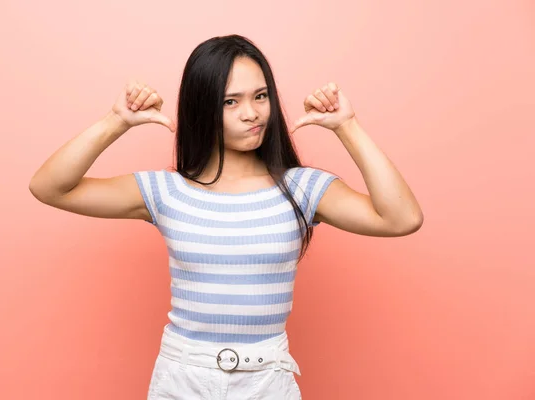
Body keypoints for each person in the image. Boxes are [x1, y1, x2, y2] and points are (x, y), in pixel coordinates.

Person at [29, 34, 423, 399]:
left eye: (261, 96)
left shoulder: (301, 188)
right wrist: (116, 121)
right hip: (183, 377)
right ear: (203, 107)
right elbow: (50, 187)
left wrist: (347, 126)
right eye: (230, 101)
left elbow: (401, 218)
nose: (252, 113)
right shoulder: (167, 192)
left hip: (268, 379)